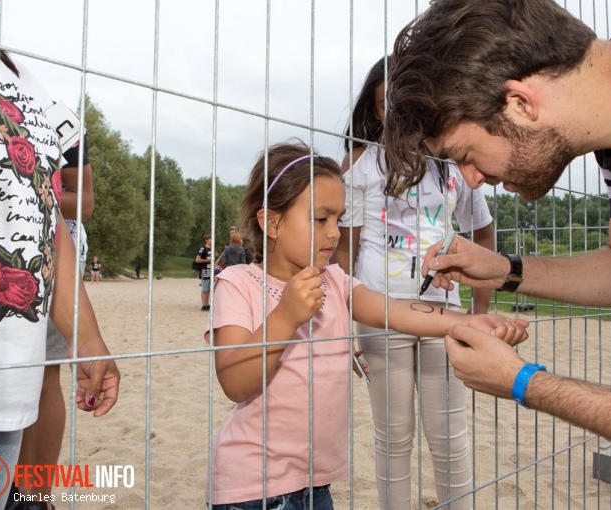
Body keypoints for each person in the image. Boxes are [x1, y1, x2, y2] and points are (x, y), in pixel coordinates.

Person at [383, 0, 611, 502]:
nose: (474, 180)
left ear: (520, 102)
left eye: (465, 156)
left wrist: (526, 383)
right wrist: (503, 270)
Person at [205, 141, 529, 509]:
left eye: (339, 219)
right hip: (251, 489)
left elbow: (397, 310)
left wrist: (472, 323)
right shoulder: (238, 282)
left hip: (316, 486)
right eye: (320, 218)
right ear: (272, 222)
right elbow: (235, 383)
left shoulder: (336, 282)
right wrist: (285, 316)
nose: (335, 233)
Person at [0, 5, 120, 509]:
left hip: (4, 384)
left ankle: (34, 496)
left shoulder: (16, 71)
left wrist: (88, 339)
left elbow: (47, 211)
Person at [334, 56, 495, 510]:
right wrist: (344, 324)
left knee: (450, 435)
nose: (399, 111)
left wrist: (479, 315)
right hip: (379, 316)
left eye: (409, 99)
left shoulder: (451, 162)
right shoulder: (360, 163)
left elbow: (483, 234)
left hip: (446, 316)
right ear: (377, 108)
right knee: (393, 436)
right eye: (389, 103)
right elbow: (343, 250)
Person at [11, 133, 94, 510]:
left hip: (47, 246)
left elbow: (85, 203)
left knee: (44, 375)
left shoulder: (60, 116)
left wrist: (23, 185)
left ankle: (36, 498)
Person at [196, 234, 215, 311]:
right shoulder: (202, 249)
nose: (212, 240)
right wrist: (207, 260)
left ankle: (207, 304)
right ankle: (204, 304)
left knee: (209, 288)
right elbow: (197, 259)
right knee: (204, 288)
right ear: (206, 240)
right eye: (210, 239)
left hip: (211, 270)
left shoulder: (212, 249)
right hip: (205, 270)